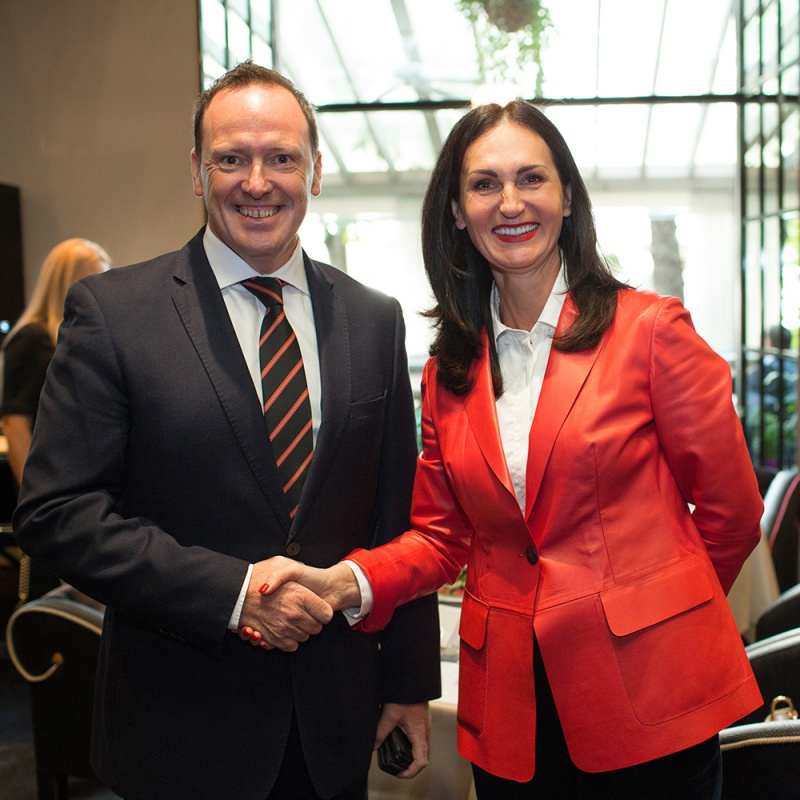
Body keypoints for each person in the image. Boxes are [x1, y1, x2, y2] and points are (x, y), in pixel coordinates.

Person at [257, 99, 764, 799]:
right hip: (511, 709)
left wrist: (658, 616)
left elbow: (733, 515)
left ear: (567, 197)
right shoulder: (449, 370)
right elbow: (440, 537)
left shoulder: (651, 330)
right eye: (485, 184)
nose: (511, 203)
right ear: (457, 212)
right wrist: (346, 581)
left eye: (532, 178)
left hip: (652, 703)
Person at [13, 62, 440, 800]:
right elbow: (58, 513)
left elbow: (398, 517)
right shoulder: (115, 315)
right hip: (180, 729)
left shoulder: (374, 318)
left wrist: (407, 684)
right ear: (196, 171)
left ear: (315, 171)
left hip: (332, 726)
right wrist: (235, 594)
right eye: (231, 158)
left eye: (282, 158)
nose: (257, 182)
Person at [1, 237, 109, 599]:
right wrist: (37, 499)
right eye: (93, 278)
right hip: (52, 491)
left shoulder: (80, 337)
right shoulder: (33, 338)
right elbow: (15, 423)